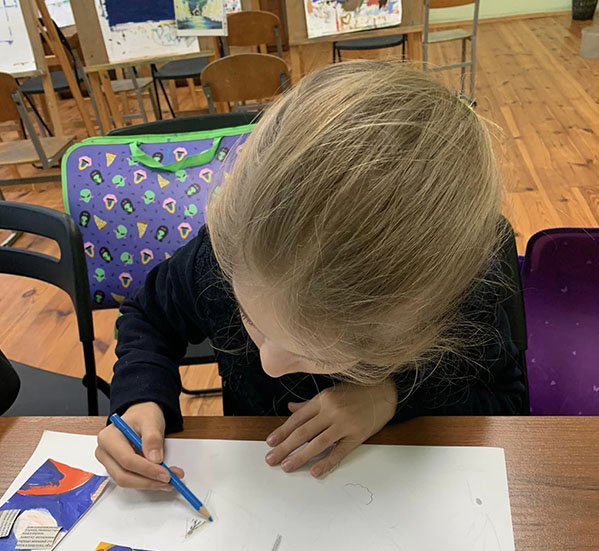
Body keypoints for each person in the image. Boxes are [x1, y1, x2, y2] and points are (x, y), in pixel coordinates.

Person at [95, 61, 525, 492]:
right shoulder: (228, 253)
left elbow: (505, 402)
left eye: (318, 355)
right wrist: (141, 398)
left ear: (417, 334)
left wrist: (390, 395)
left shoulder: (457, 295)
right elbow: (148, 315)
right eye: (249, 318)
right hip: (259, 488)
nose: (269, 365)